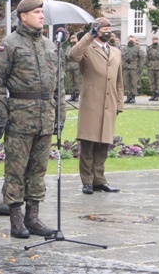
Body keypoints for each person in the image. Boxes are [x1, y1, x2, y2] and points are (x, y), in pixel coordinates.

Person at [0, 0, 62, 239]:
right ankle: (16, 219)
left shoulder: (50, 46)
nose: (42, 16)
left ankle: (33, 218)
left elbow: (59, 85)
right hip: (20, 116)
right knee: (16, 170)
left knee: (38, 170)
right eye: (37, 12)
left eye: (42, 12)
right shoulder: (9, 44)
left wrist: (59, 117)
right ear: (23, 16)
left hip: (45, 117)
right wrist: (2, 113)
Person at [68, 17, 122, 196]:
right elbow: (73, 55)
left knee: (103, 144)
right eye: (105, 28)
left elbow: (119, 81)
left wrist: (119, 103)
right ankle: (87, 181)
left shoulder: (115, 52)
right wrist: (88, 36)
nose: (109, 32)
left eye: (110, 28)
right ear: (97, 30)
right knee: (88, 143)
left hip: (109, 103)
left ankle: (99, 180)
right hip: (91, 102)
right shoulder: (87, 48)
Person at [122, 35, 143, 103]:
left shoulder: (137, 48)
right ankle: (128, 96)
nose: (131, 39)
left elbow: (141, 58)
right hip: (125, 67)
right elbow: (121, 57)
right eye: (130, 38)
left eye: (132, 38)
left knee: (134, 83)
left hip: (134, 67)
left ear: (134, 39)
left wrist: (140, 67)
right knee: (126, 83)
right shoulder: (124, 48)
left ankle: (133, 97)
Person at [146, 36, 159, 101]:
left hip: (158, 67)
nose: (155, 41)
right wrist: (148, 65)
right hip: (151, 66)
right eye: (154, 40)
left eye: (156, 40)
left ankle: (157, 95)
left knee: (158, 82)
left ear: (158, 40)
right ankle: (152, 95)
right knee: (152, 82)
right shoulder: (149, 48)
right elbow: (147, 57)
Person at [65, 34, 81, 102]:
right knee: (70, 81)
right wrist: (65, 66)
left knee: (77, 81)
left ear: (77, 39)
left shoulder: (79, 46)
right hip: (69, 66)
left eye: (74, 38)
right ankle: (72, 95)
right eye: (72, 39)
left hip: (77, 66)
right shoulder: (68, 47)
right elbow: (66, 57)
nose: (73, 40)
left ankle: (77, 95)